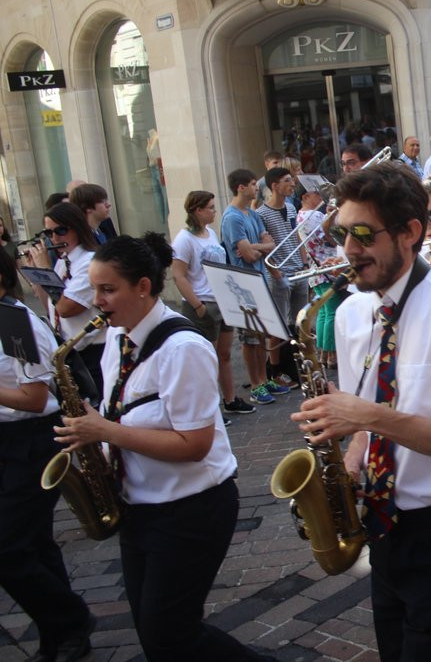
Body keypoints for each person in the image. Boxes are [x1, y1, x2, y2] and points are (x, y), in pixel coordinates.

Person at [292, 162, 431, 662]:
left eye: (363, 234)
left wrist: (366, 417)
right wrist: (345, 471)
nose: (348, 250)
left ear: (411, 232)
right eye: (342, 234)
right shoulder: (348, 313)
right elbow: (366, 423)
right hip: (384, 525)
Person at [54, 233, 275, 662]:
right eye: (94, 289)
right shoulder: (119, 338)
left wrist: (105, 432)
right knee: (155, 632)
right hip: (140, 506)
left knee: (170, 632)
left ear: (142, 286)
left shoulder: (184, 348)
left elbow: (194, 444)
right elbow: (120, 410)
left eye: (107, 289)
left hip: (191, 509)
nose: (96, 301)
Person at [0, 247, 95, 662]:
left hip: (32, 439)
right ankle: (60, 635)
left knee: (9, 546)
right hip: (8, 440)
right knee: (34, 542)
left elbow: (35, 398)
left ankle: (70, 620)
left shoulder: (14, 322)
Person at [171, 191, 255, 419]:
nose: (214, 211)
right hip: (203, 301)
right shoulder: (184, 239)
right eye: (210, 207)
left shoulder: (209, 233)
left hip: (222, 299)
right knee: (206, 358)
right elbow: (178, 275)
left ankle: (230, 399)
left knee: (225, 353)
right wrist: (197, 305)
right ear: (197, 210)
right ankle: (210, 408)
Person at [219, 168, 288, 405]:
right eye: (252, 184)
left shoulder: (252, 214)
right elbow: (247, 255)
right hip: (242, 283)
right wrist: (259, 247)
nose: (256, 187)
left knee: (260, 333)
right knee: (249, 337)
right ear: (241, 187)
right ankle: (255, 384)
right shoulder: (232, 217)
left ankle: (263, 378)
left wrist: (256, 246)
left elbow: (271, 245)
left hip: (259, 280)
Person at [25, 203, 105, 399]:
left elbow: (66, 308)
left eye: (60, 230)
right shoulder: (63, 261)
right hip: (68, 354)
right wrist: (37, 275)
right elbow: (51, 307)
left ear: (77, 227)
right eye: (49, 233)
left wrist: (46, 271)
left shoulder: (89, 262)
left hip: (93, 354)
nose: (54, 238)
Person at [255, 166, 307, 391]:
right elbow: (267, 248)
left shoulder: (290, 207)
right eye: (287, 180)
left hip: (298, 270)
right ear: (274, 185)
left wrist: (304, 262)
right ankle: (276, 370)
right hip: (280, 274)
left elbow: (296, 234)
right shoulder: (262, 214)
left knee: (299, 322)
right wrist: (277, 274)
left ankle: (298, 365)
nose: (292, 184)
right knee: (277, 326)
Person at [296, 185, 345, 368]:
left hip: (316, 268)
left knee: (324, 313)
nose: (320, 197)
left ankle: (324, 354)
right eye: (316, 193)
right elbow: (331, 237)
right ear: (305, 196)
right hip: (327, 267)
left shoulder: (300, 215)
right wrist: (331, 215)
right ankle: (331, 354)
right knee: (331, 311)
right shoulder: (314, 216)